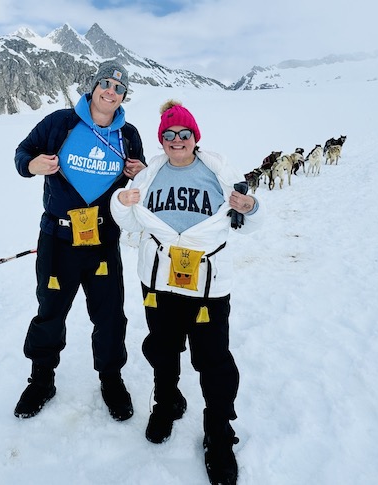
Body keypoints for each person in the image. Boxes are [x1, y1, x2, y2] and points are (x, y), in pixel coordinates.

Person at [110, 100, 261, 485]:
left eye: (184, 134)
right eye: (169, 135)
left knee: (213, 358)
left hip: (208, 283)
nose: (177, 140)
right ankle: (168, 402)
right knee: (162, 346)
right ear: (161, 140)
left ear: (195, 137)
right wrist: (120, 201)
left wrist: (253, 206)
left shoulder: (220, 172)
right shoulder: (150, 175)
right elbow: (126, 219)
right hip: (159, 280)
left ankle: (219, 432)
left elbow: (251, 219)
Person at [13, 60, 146, 422]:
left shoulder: (128, 134)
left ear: (123, 96)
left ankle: (111, 379)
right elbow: (22, 154)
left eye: (119, 88)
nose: (110, 91)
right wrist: (32, 166)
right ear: (93, 85)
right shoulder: (61, 122)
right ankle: (42, 379)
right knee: (50, 312)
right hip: (58, 237)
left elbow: (139, 184)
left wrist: (140, 173)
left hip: (103, 238)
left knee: (109, 315)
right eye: (105, 83)